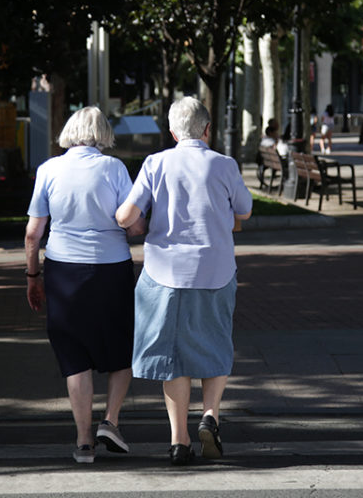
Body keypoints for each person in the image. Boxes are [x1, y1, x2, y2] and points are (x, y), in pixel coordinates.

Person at [115, 97, 252, 466]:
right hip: (216, 270)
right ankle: (211, 415)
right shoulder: (224, 164)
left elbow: (127, 214)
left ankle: (179, 440)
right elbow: (245, 209)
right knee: (216, 343)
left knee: (173, 357)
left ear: (173, 132)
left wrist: (130, 221)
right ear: (208, 130)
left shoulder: (156, 163)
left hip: (166, 273)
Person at [24, 106, 145, 465]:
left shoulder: (48, 170)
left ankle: (83, 442)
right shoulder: (115, 169)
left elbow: (33, 234)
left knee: (74, 355)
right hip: (111, 269)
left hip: (63, 271)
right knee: (121, 345)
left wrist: (33, 277)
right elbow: (134, 225)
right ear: (103, 133)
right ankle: (110, 421)